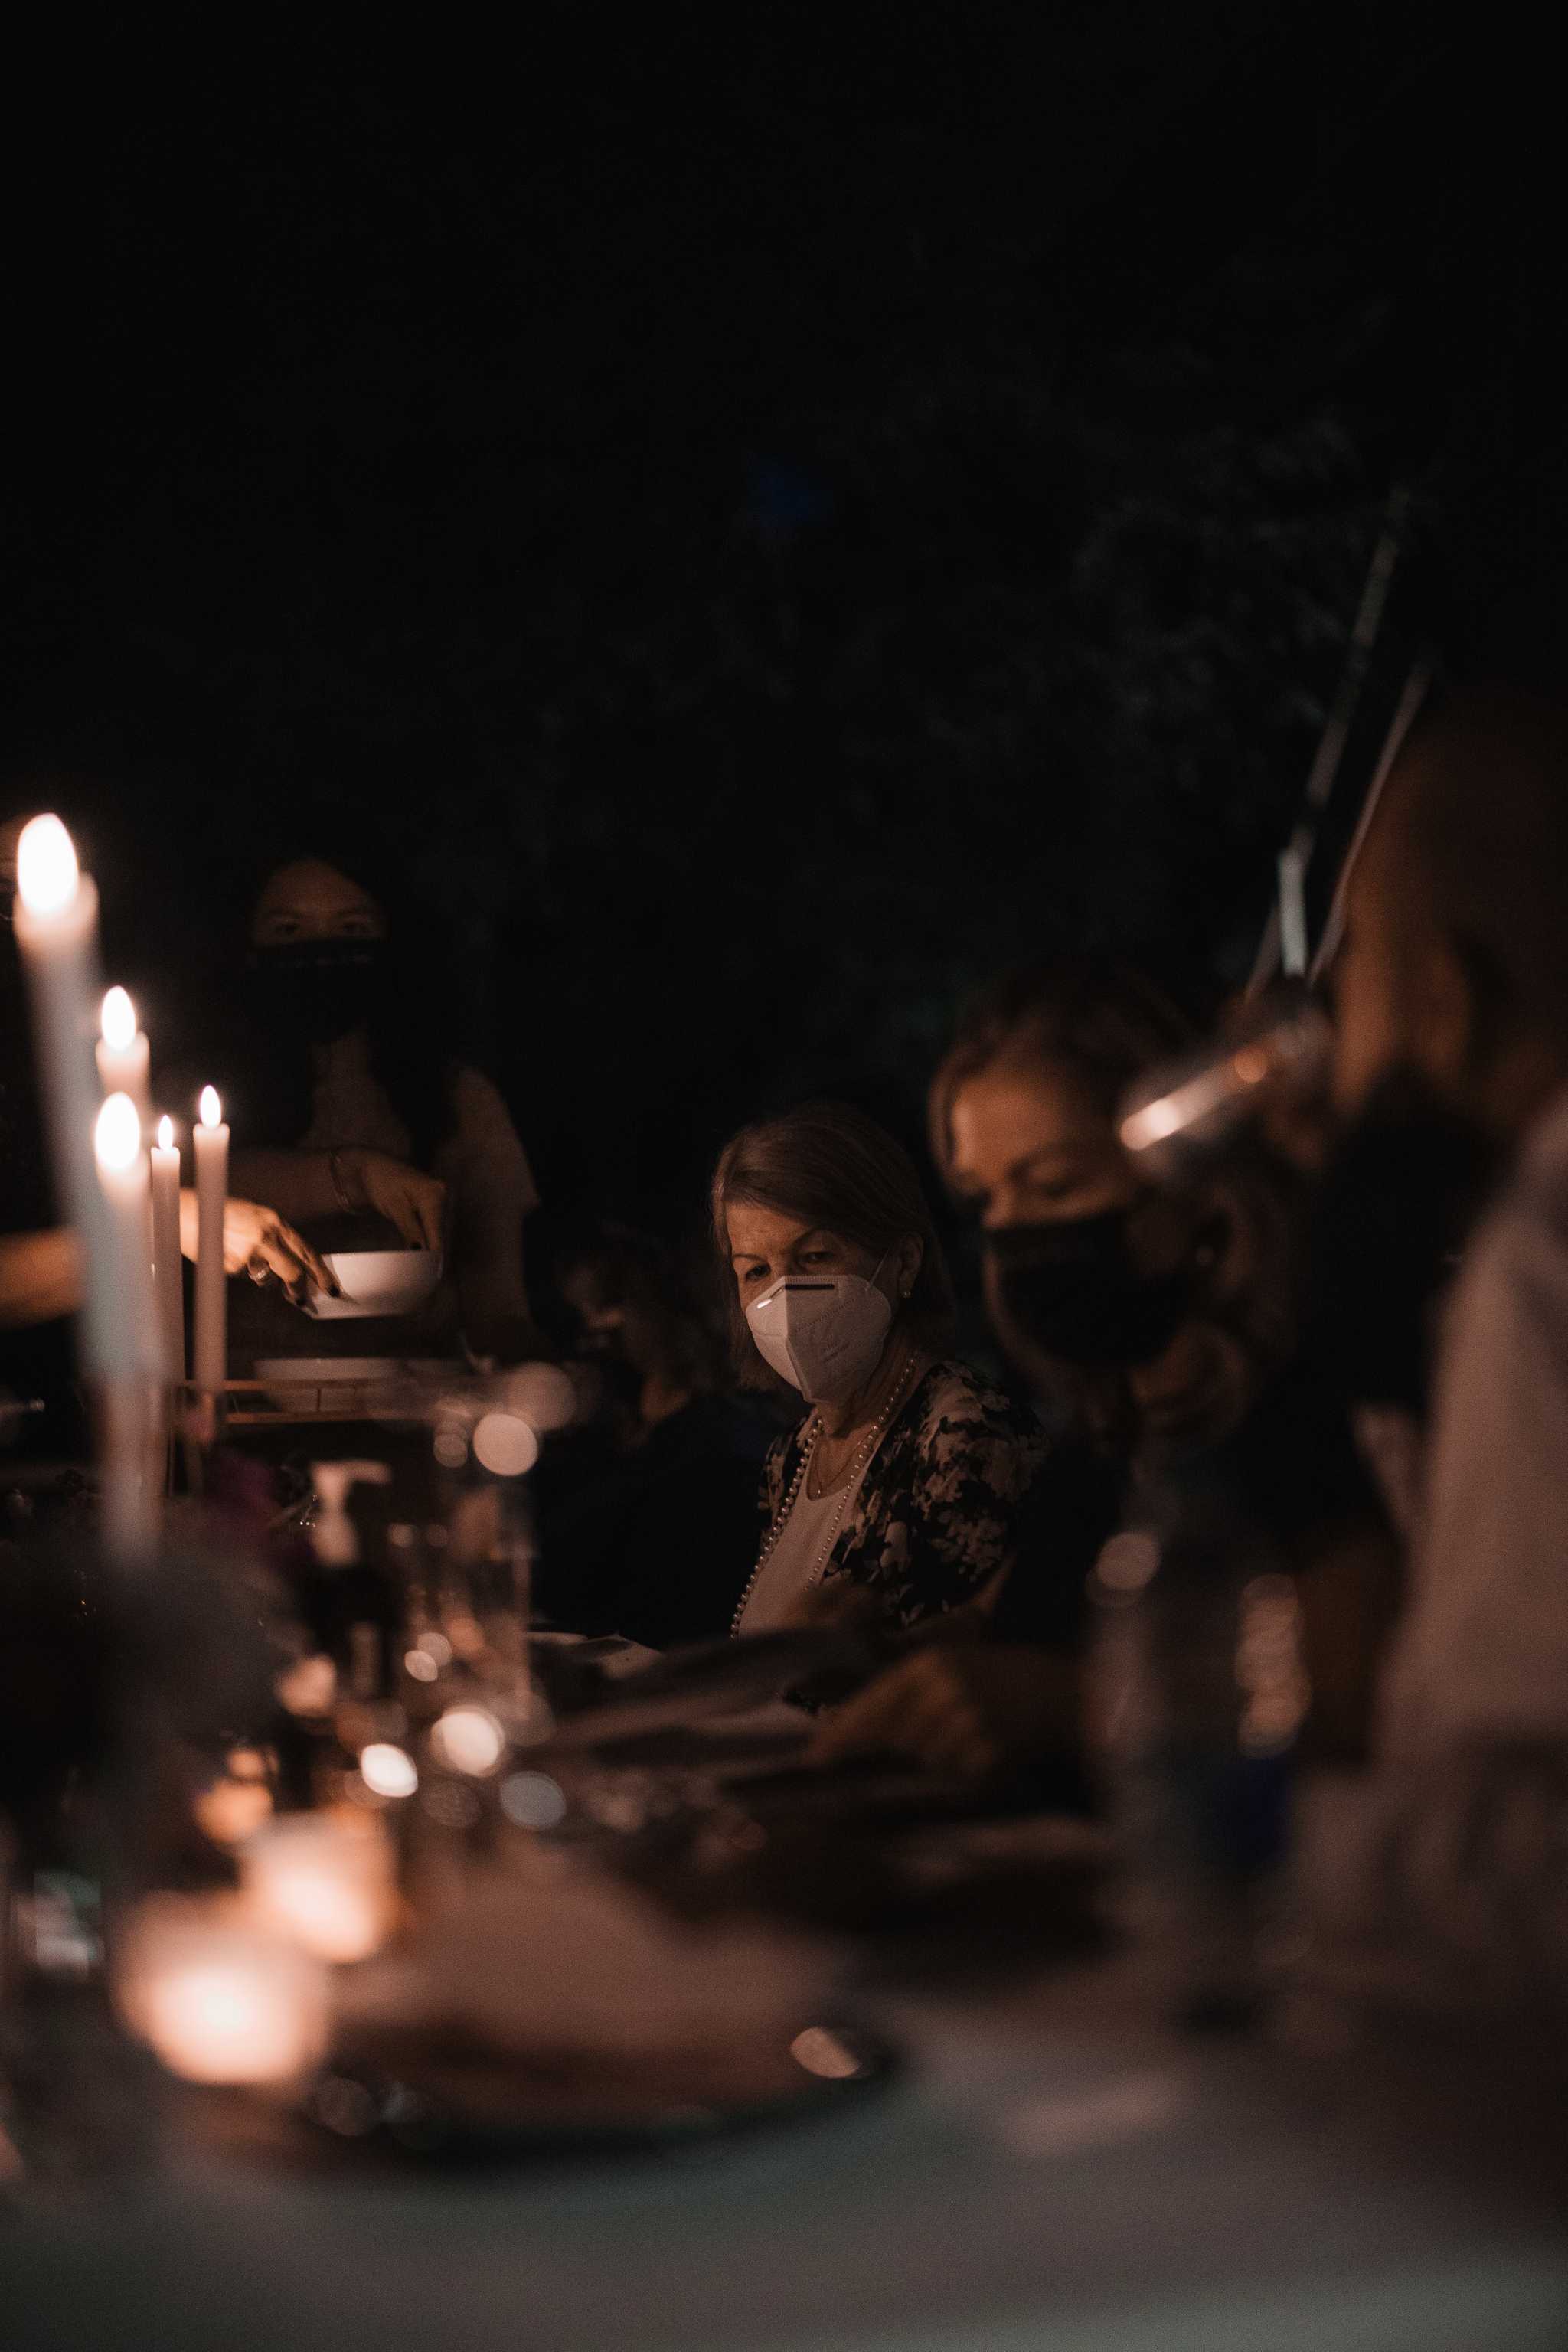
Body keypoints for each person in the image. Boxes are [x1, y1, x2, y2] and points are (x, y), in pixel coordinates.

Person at [811, 959, 1393, 1782]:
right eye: (987, 1200)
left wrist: (1069, 1709)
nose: (1013, 1239)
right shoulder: (1108, 1428)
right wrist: (878, 1653)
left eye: (1052, 1185)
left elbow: (1351, 1710)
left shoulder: (1311, 1409)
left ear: (1195, 1182)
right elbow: (1012, 1623)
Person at [1325, 677, 1568, 1767]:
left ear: (1442, 1003)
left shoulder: (1536, 1264)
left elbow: (1504, 1806)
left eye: (1354, 968)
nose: (1332, 1051)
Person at [714, 1099, 1064, 1642]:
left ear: (902, 1263)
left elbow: (965, 1683)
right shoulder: (793, 1454)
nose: (783, 1297)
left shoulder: (966, 1436)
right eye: (756, 1271)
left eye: (814, 1257)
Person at [217, 845, 539, 1361]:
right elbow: (174, 1192)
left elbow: (499, 1309)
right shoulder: (200, 1095)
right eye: (289, 932)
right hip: (237, 1422)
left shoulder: (460, 1099)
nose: (320, 953)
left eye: (351, 930)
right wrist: (356, 1178)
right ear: (246, 946)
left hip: (415, 1421)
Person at [529, 1223, 779, 1647]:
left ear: (674, 1305)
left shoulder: (719, 1452)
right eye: (585, 1311)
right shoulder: (605, 1438)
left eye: (612, 1303)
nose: (595, 1328)